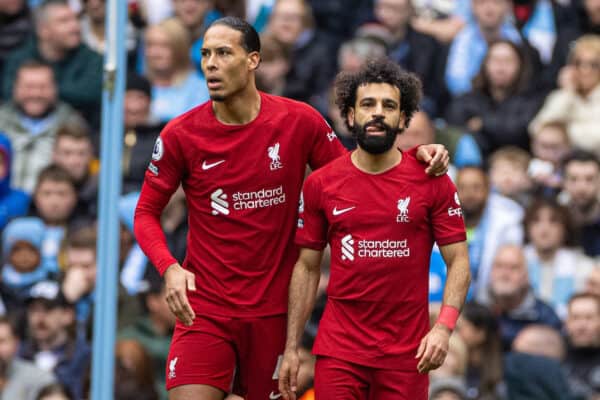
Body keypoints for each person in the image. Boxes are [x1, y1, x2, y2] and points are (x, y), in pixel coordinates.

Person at [134, 16, 449, 400]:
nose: (211, 64)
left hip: (274, 313)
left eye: (223, 53)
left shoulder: (298, 121)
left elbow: (356, 176)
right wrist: (169, 268)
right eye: (204, 55)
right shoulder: (181, 134)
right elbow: (145, 212)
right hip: (207, 308)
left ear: (252, 60)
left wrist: (413, 156)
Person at [278, 59, 470, 400]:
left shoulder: (432, 180)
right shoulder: (321, 183)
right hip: (340, 351)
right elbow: (306, 268)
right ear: (350, 116)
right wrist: (291, 347)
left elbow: (459, 263)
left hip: (407, 355)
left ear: (402, 119)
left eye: (389, 106)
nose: (378, 113)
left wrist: (443, 328)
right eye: (367, 104)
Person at [1, 0, 103, 124]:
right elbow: (8, 94)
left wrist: (37, 92)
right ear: (43, 30)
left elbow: (92, 95)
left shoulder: (93, 59)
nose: (75, 26)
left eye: (76, 19)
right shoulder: (19, 58)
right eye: (64, 21)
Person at [0, 61, 87, 193]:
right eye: (28, 87)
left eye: (43, 87)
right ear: (15, 88)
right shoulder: (1, 121)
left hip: (55, 208)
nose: (35, 94)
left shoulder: (72, 122)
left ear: (55, 88)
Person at [477, 244, 562, 350]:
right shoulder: (476, 310)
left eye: (513, 268)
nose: (504, 274)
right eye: (499, 266)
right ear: (491, 272)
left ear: (526, 275)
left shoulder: (545, 316)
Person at [564, 292, 600, 398]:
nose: (581, 326)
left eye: (589, 318)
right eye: (575, 318)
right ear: (567, 322)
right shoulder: (553, 354)